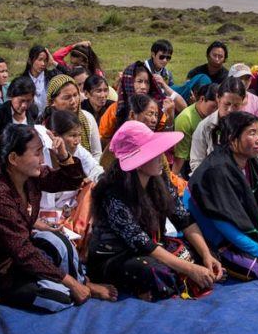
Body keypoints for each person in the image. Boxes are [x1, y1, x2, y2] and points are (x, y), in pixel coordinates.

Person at [0, 124, 117, 312]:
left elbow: (71, 180)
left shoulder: (29, 175)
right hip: (6, 268)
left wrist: (63, 155)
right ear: (14, 158)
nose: (41, 159)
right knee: (59, 298)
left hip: (24, 251)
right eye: (37, 153)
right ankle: (76, 285)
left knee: (61, 242)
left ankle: (83, 283)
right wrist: (69, 282)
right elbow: (22, 251)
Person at [88, 121, 223, 301]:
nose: (163, 159)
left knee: (208, 252)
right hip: (117, 257)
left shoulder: (160, 180)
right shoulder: (113, 195)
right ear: (138, 162)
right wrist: (190, 269)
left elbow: (184, 219)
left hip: (153, 246)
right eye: (155, 154)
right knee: (154, 271)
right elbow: (143, 243)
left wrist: (206, 255)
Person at [187, 112, 258, 280]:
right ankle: (219, 253)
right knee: (253, 269)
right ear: (232, 139)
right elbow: (222, 222)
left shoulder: (250, 160)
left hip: (241, 222)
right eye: (251, 133)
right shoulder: (217, 171)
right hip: (211, 228)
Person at [98, 61, 173, 143]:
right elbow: (103, 137)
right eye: (139, 81)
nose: (143, 87)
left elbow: (162, 137)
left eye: (147, 82)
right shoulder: (115, 110)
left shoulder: (156, 108)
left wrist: (170, 117)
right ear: (128, 82)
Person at [188, 76, 247, 173]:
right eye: (227, 104)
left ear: (243, 101)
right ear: (218, 99)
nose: (230, 110)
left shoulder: (248, 126)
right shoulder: (204, 127)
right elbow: (196, 162)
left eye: (236, 105)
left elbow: (255, 158)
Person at [46, 74, 102, 160]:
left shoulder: (87, 118)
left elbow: (96, 153)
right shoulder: (45, 126)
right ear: (52, 101)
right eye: (67, 97)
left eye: (75, 95)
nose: (73, 101)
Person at [172, 83, 218, 175]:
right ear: (202, 99)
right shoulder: (186, 119)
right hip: (189, 164)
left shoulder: (216, 116)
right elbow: (180, 156)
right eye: (214, 107)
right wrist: (173, 179)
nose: (216, 111)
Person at [24, 45, 57, 114]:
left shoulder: (51, 77)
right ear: (30, 60)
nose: (43, 64)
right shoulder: (22, 81)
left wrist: (53, 62)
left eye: (45, 60)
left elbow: (70, 76)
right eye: (40, 59)